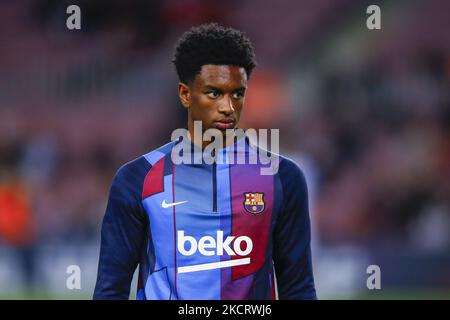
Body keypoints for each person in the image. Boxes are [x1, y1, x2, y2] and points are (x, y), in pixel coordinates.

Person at [93, 23, 316, 300]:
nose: (228, 107)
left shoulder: (283, 177)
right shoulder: (137, 178)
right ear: (185, 95)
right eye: (214, 93)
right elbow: (110, 289)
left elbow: (298, 288)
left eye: (237, 93)